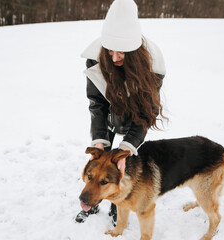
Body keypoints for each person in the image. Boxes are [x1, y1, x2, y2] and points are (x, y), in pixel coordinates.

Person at [76, 0, 167, 225]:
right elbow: (97, 104)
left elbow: (146, 114)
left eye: (122, 54)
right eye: (110, 51)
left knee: (122, 166)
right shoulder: (96, 59)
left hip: (134, 116)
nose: (114, 58)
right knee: (99, 165)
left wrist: (127, 147)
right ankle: (91, 203)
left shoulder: (153, 66)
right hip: (107, 116)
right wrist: (99, 141)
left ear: (134, 53)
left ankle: (118, 203)